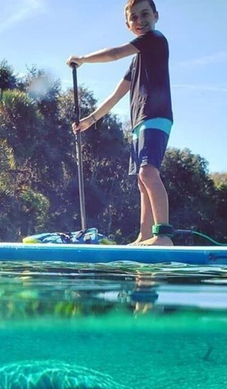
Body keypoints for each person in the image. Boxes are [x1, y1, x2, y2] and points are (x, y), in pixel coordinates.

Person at [67, 0, 174, 246]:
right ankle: (144, 236)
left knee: (148, 173)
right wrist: (90, 120)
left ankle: (163, 235)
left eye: (145, 14)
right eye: (134, 18)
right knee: (141, 179)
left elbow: (114, 53)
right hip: (139, 123)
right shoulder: (136, 61)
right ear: (128, 25)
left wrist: (82, 59)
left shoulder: (155, 39)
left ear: (156, 15)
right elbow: (116, 95)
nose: (140, 21)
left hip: (155, 116)